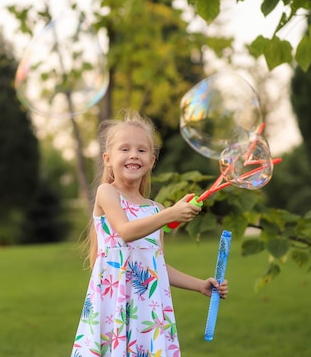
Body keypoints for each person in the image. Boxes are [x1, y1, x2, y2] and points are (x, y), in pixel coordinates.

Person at [70, 110, 229, 357]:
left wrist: (200, 285)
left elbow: (157, 264)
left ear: (152, 161)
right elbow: (125, 232)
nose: (134, 155)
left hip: (148, 306)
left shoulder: (156, 209)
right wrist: (171, 215)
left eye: (142, 150)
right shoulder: (107, 193)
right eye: (125, 149)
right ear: (107, 158)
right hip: (114, 304)